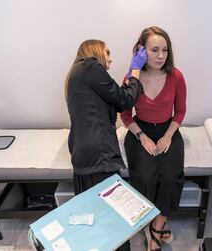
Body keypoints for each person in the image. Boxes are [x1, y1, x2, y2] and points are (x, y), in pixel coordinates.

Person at [65, 39, 147, 251]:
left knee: (93, 215)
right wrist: (136, 70)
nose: (110, 58)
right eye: (107, 52)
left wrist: (130, 74)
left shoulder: (76, 73)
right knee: (113, 217)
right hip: (97, 154)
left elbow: (114, 97)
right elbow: (124, 101)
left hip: (83, 151)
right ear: (94, 51)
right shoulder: (92, 67)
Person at [120, 26, 187, 251]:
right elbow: (125, 115)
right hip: (141, 131)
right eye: (154, 50)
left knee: (170, 176)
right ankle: (149, 221)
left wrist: (168, 136)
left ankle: (157, 227)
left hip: (168, 131)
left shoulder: (176, 76)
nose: (161, 56)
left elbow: (180, 112)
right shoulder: (132, 77)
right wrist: (142, 137)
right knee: (146, 175)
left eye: (165, 50)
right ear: (141, 51)